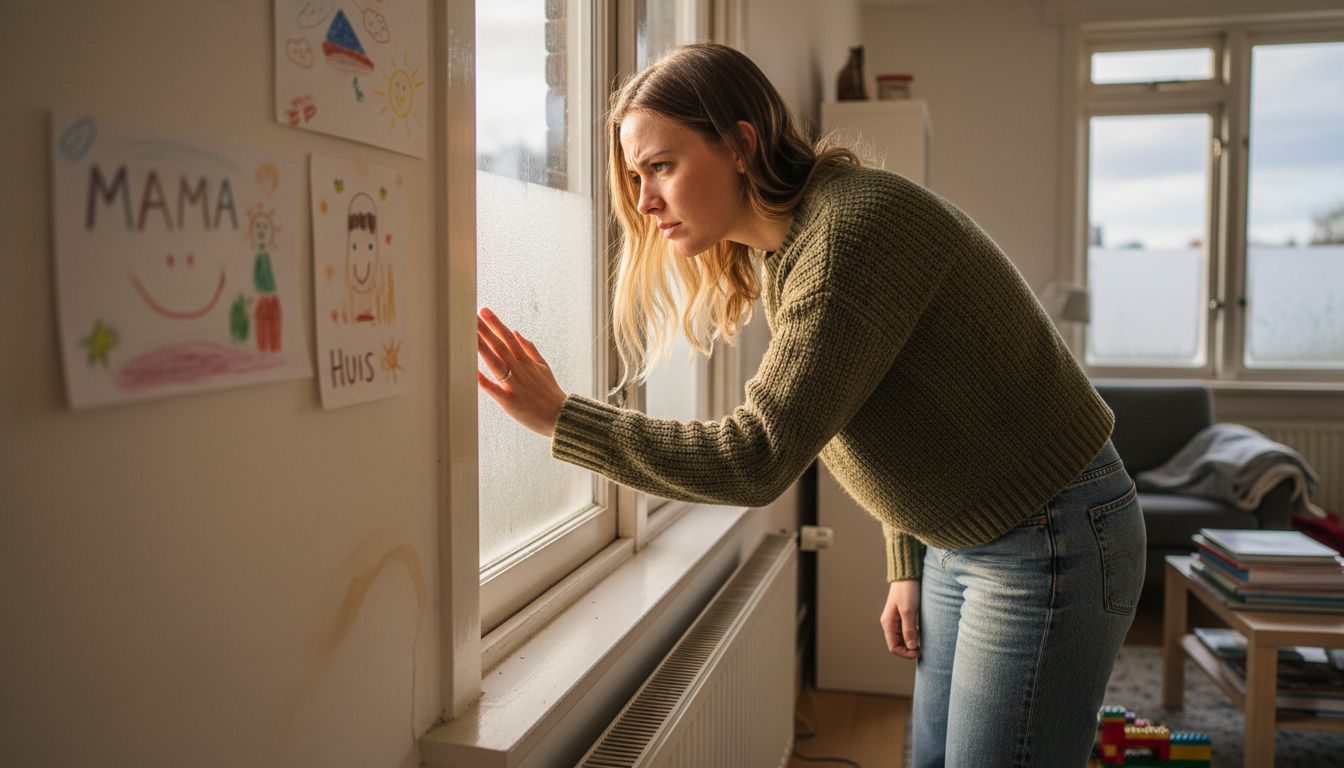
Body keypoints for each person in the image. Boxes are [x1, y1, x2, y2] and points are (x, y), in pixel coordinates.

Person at [476, 43, 1145, 767]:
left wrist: (562, 418)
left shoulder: (846, 237)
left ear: (739, 144)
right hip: (967, 538)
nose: (643, 201)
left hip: (1049, 538)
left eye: (661, 167)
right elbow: (901, 409)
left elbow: (758, 456)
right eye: (636, 176)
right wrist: (904, 557)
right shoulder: (786, 252)